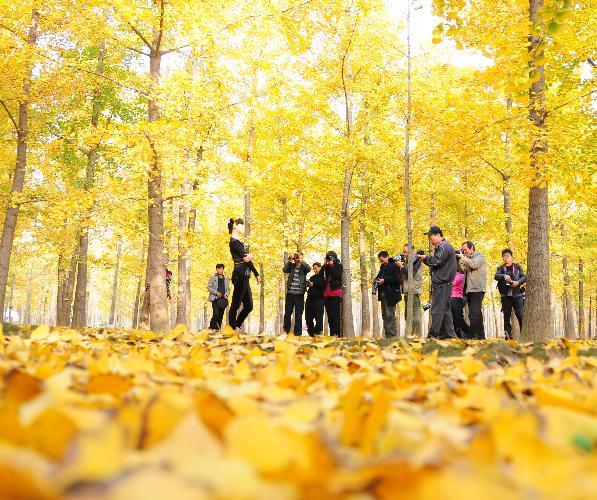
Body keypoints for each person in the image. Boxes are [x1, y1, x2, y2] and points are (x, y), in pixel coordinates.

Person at [418, 226, 457, 339]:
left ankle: (432, 335)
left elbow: (437, 261)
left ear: (438, 235)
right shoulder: (443, 247)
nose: (430, 240)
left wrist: (425, 258)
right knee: (445, 310)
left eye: (431, 237)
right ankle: (449, 335)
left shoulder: (444, 246)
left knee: (437, 310)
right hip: (443, 282)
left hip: (442, 282)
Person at [227, 218, 260, 331]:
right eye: (241, 225)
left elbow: (248, 259)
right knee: (235, 305)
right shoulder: (234, 242)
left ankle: (236, 325)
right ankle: (231, 329)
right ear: (235, 226)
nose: (243, 228)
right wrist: (249, 256)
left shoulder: (239, 242)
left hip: (245, 276)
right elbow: (246, 258)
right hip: (239, 276)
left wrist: (256, 273)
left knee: (249, 306)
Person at [456, 241, 487, 339]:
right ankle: (481, 337)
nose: (464, 252)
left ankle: (472, 336)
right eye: (463, 250)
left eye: (465, 250)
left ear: (472, 248)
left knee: (473, 315)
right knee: (477, 315)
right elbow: (461, 270)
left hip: (477, 289)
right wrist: (458, 259)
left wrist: (462, 257)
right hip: (469, 289)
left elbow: (474, 265)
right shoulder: (467, 258)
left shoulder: (479, 256)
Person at [494, 248, 526, 340]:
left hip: (517, 295)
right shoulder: (500, 268)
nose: (506, 258)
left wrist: (517, 282)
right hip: (505, 297)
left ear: (512, 257)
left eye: (507, 256)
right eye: (504, 256)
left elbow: (524, 277)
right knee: (506, 317)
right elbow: (496, 276)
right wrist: (504, 276)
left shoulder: (517, 266)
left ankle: (523, 335)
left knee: (520, 315)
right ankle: (508, 338)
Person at [375, 251, 403, 339]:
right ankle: (387, 335)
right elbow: (379, 276)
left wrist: (385, 280)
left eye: (383, 260)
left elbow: (397, 279)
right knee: (384, 315)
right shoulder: (382, 266)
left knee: (390, 315)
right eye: (380, 261)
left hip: (392, 294)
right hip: (383, 294)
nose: (382, 262)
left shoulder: (394, 264)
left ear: (387, 256)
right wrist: (376, 280)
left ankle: (392, 336)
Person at [283, 252, 311, 336]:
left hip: (300, 294)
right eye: (295, 258)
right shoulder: (291, 266)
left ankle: (298, 333)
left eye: (297, 258)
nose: (296, 260)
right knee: (287, 313)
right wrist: (290, 260)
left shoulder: (303, 267)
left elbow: (309, 269)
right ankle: (286, 332)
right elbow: (284, 270)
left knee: (298, 314)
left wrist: (301, 260)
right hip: (290, 293)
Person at [401, 244, 423, 336]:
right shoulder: (408, 261)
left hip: (414, 290)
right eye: (404, 252)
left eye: (407, 252)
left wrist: (401, 267)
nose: (405, 254)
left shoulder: (417, 259)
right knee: (407, 314)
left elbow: (411, 273)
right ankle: (410, 333)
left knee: (415, 314)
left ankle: (417, 335)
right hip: (407, 290)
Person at [322, 251, 343, 336]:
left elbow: (336, 275)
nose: (329, 260)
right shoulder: (326, 267)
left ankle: (336, 334)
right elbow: (321, 275)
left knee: (335, 314)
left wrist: (331, 265)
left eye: (330, 258)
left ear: (334, 258)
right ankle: (332, 334)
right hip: (326, 294)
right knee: (329, 315)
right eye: (327, 258)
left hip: (336, 293)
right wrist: (326, 264)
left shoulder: (339, 266)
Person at [207, 264, 230, 330]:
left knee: (220, 315)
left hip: (223, 299)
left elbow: (228, 289)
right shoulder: (212, 277)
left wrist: (226, 294)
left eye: (221, 269)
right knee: (216, 313)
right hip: (215, 298)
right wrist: (216, 293)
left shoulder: (226, 278)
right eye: (218, 269)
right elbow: (209, 287)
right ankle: (211, 328)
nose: (220, 270)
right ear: (216, 269)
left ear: (223, 269)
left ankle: (218, 330)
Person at [305, 262, 325, 336]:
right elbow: (309, 284)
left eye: (315, 268)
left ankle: (318, 334)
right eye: (313, 269)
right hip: (309, 300)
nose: (314, 270)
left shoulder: (324, 276)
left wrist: (314, 284)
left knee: (319, 319)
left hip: (319, 300)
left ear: (320, 267)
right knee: (308, 318)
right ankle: (312, 334)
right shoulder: (312, 277)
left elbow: (323, 285)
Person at [450, 269, 470, 338]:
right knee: (453, 319)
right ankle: (457, 335)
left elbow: (452, 283)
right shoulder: (449, 274)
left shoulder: (460, 276)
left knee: (459, 319)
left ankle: (471, 333)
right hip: (449, 298)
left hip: (457, 298)